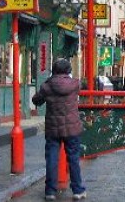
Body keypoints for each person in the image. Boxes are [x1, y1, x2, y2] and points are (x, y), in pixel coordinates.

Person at [31, 58, 87, 201]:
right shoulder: (75, 84)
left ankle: (50, 191)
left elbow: (36, 100)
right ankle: (78, 190)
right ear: (68, 70)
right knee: (73, 159)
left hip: (53, 128)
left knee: (52, 159)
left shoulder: (47, 86)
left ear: (54, 70)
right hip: (72, 128)